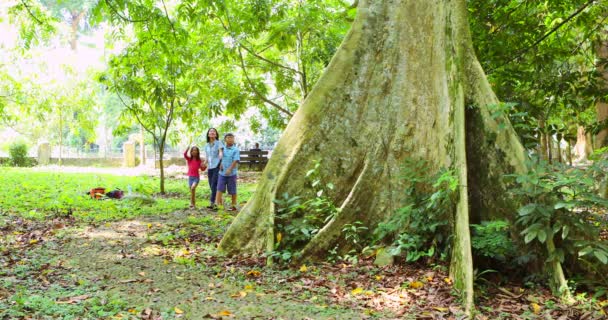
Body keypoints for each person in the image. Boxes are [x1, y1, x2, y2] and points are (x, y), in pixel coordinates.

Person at [216, 133, 240, 212]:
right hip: (222, 173)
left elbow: (235, 160)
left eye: (232, 138)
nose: (230, 139)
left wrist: (230, 169)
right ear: (225, 140)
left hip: (232, 173)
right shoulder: (223, 148)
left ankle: (233, 205)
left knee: (232, 190)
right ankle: (217, 205)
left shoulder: (235, 149)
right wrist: (220, 164)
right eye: (228, 138)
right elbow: (219, 157)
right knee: (219, 188)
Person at [203, 128, 223, 210]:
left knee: (213, 184)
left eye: (214, 131)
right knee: (211, 185)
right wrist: (204, 163)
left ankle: (212, 203)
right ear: (208, 134)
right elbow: (207, 157)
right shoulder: (206, 145)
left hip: (217, 165)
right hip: (210, 167)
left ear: (216, 134)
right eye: (210, 131)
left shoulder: (219, 143)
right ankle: (219, 201)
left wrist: (221, 161)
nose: (212, 132)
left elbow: (221, 152)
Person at [184, 145, 205, 209]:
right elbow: (184, 154)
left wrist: (204, 165)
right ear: (191, 152)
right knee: (192, 191)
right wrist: (187, 148)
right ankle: (192, 204)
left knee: (193, 188)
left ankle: (192, 204)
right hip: (190, 177)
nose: (194, 151)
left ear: (198, 152)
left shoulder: (199, 160)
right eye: (193, 150)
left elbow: (202, 169)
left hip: (196, 177)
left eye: (195, 150)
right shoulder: (189, 159)